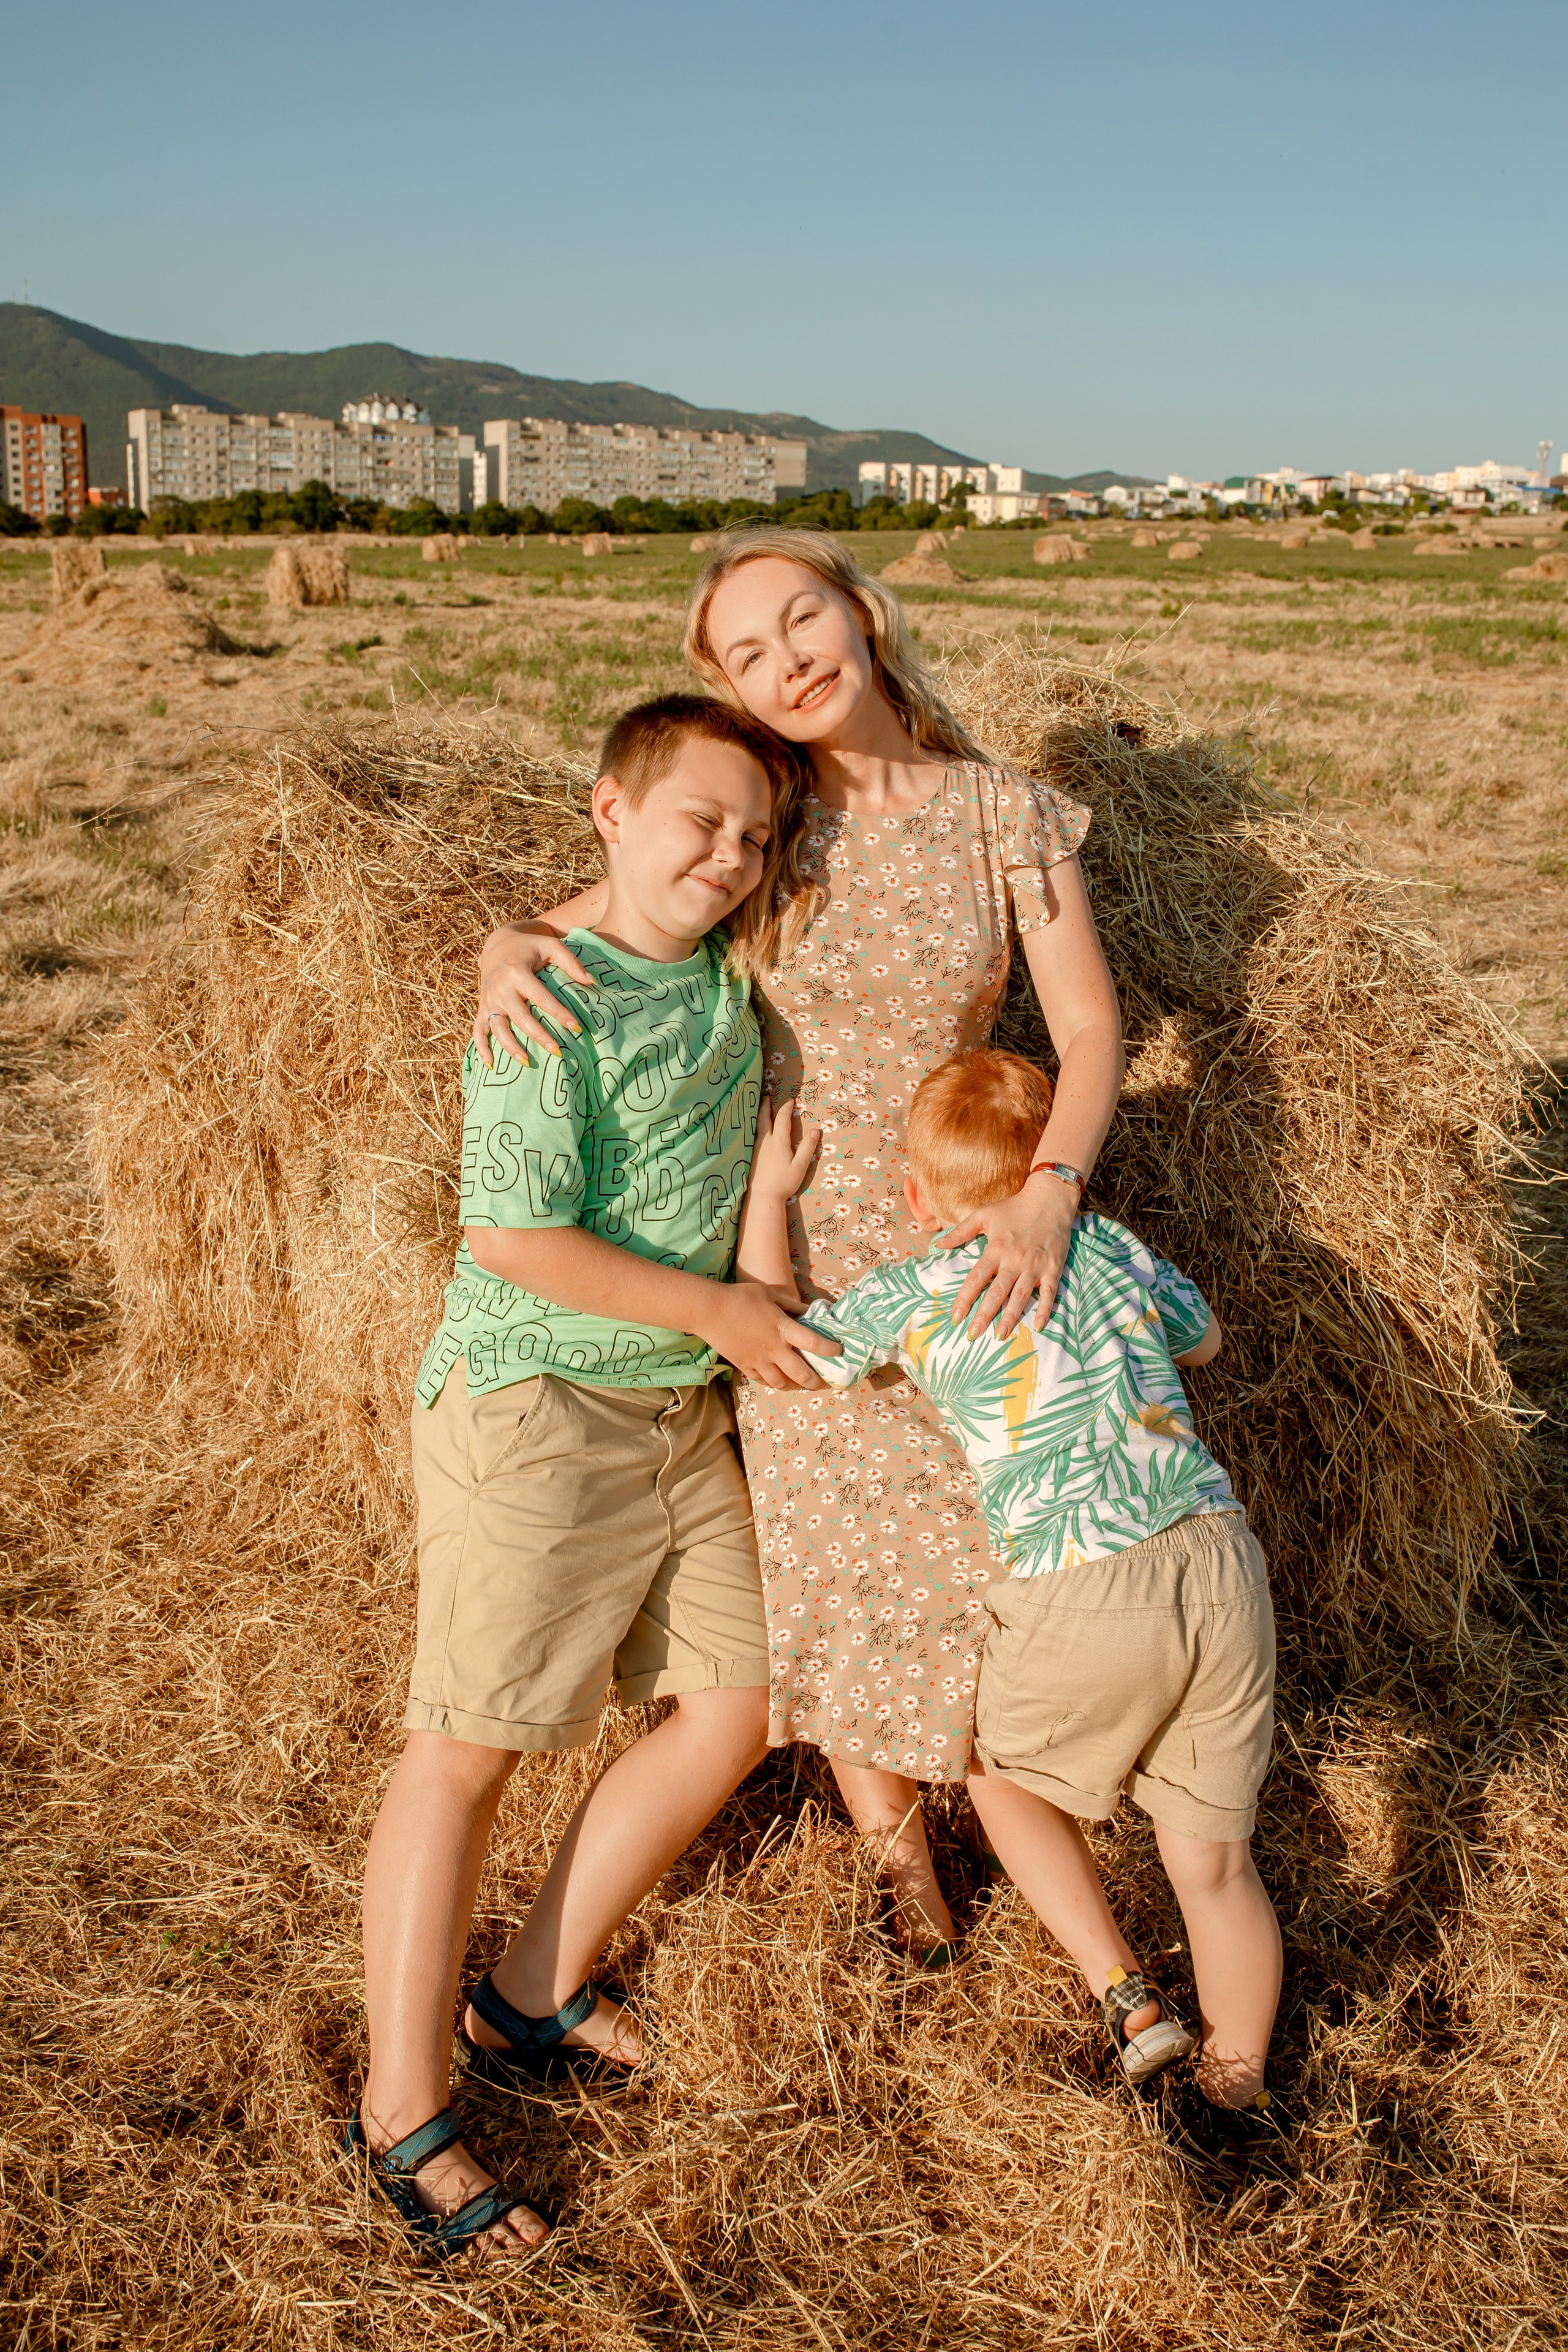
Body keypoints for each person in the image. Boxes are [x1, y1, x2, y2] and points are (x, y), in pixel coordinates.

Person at [471, 527, 1125, 1961]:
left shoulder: (1003, 813)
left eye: (802, 620)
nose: (790, 662)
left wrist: (1048, 1191)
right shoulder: (756, 818)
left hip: (957, 1225)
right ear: (729, 690)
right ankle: (907, 1876)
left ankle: (1012, 1802)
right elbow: (583, 922)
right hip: (779, 1242)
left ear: (863, 612)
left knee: (973, 1534)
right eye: (748, 655)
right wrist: (500, 947)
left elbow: (1086, 1030)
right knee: (825, 1560)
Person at [353, 695, 833, 2259]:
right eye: (699, 820)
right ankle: (401, 2115)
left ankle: (527, 1995)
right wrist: (721, 1309)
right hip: (538, 1400)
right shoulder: (544, 1004)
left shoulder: (710, 967)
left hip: (674, 1404)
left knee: (743, 1703)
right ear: (611, 811)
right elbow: (509, 1237)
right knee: (466, 1748)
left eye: (757, 833)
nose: (732, 855)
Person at [738, 1050, 1287, 2152]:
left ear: (913, 1197)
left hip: (1086, 1581)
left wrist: (766, 1199)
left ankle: (1124, 1990)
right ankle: (1238, 2100)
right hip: (1220, 1563)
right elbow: (1209, 1338)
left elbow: (780, 1353)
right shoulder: (1109, 1244)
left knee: (993, 1766)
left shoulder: (918, 1289)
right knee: (1217, 1863)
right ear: (1049, 1171)